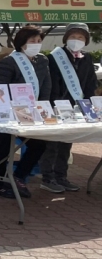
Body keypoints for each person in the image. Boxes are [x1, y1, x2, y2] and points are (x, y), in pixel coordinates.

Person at [0, 25, 52, 199]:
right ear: (22, 42)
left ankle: (18, 177)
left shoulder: (42, 61)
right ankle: (0, 184)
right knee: (3, 147)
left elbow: (46, 85)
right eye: (32, 41)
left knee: (39, 145)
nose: (36, 44)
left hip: (30, 113)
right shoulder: (9, 62)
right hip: (8, 112)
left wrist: (42, 107)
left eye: (39, 41)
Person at [41, 23, 95, 193]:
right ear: (65, 39)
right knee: (52, 143)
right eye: (73, 37)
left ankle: (61, 176)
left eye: (80, 38)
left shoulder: (86, 58)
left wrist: (87, 104)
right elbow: (50, 83)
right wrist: (54, 104)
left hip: (75, 108)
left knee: (66, 143)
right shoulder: (55, 57)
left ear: (85, 41)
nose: (76, 40)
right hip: (55, 106)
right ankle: (47, 177)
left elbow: (90, 83)